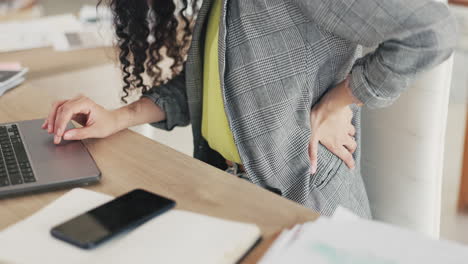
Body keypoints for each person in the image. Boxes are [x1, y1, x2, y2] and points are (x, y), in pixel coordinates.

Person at [43, 0, 456, 218]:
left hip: (301, 210)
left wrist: (342, 98)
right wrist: (118, 117)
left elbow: (433, 32)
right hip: (225, 196)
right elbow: (210, 89)